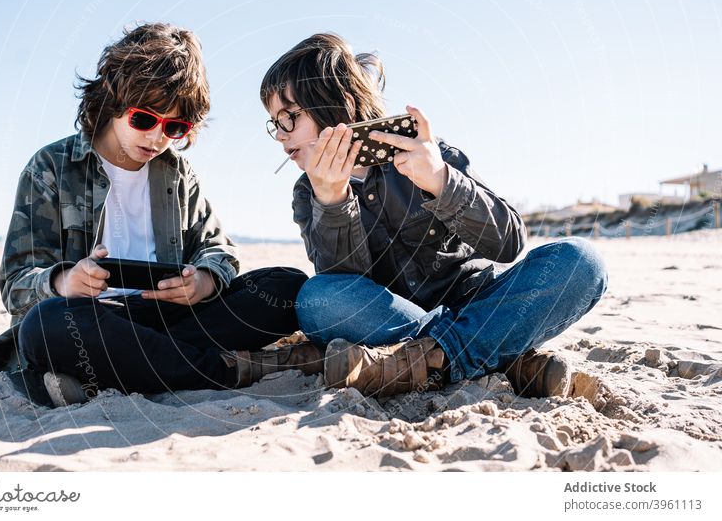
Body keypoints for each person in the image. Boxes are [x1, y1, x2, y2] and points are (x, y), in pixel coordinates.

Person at [0, 23, 321, 406]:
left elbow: (218, 249)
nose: (158, 138)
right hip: (92, 319)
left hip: (169, 318)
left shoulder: (177, 173)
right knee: (45, 327)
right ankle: (228, 371)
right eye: (145, 119)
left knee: (286, 286)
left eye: (175, 127)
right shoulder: (50, 168)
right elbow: (16, 283)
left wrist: (204, 282)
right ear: (113, 98)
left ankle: (112, 372)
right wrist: (63, 282)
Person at [259, 33, 608, 399]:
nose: (281, 137)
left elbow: (508, 244)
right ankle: (502, 359)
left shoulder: (429, 154)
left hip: (474, 299)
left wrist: (441, 182)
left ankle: (433, 360)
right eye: (273, 123)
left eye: (289, 118)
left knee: (582, 261)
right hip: (390, 317)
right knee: (317, 299)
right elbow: (345, 286)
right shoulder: (307, 192)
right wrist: (333, 201)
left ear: (341, 105)